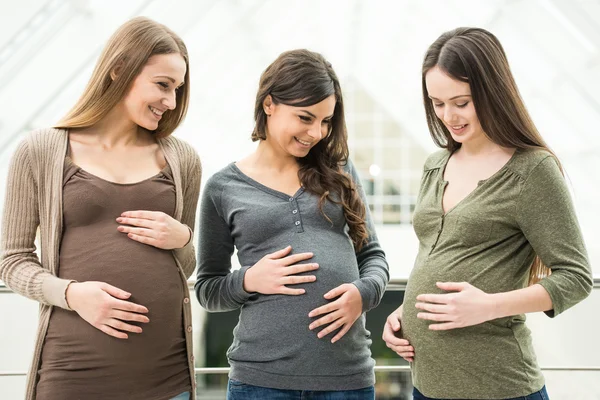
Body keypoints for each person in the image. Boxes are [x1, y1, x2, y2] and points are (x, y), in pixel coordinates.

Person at [382, 27, 593, 400]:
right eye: (437, 103)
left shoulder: (532, 170)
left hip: (499, 387)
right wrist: (404, 310)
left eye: (461, 102)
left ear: (491, 91)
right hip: (426, 386)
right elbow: (438, 254)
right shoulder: (436, 164)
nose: (449, 116)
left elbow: (575, 277)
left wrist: (487, 306)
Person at [0, 17, 201, 400]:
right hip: (72, 376)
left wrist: (183, 238)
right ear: (119, 69)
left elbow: (185, 266)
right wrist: (72, 295)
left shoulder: (182, 159)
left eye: (177, 89)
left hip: (167, 381)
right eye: (162, 85)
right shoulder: (40, 151)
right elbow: (12, 261)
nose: (171, 102)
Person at [195, 49, 389, 400]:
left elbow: (373, 256)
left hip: (347, 379)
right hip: (260, 381)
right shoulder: (223, 188)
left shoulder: (340, 173)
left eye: (326, 121)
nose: (316, 132)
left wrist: (364, 294)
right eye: (305, 117)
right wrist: (249, 279)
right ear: (269, 104)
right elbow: (208, 289)